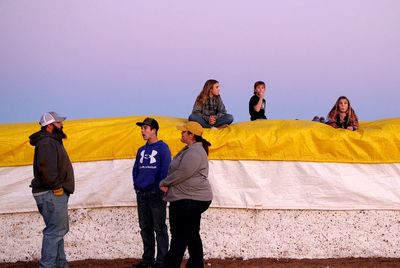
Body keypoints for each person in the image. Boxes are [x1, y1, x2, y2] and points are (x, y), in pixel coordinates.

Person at [160, 121, 213, 268]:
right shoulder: (191, 149)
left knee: (180, 235)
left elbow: (183, 173)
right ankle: (196, 264)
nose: (181, 133)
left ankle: (171, 265)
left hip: (189, 199)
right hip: (190, 198)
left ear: (191, 135)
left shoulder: (194, 152)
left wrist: (164, 183)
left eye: (184, 132)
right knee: (191, 234)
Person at [29, 111, 75, 268]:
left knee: (57, 232)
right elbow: (47, 169)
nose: (62, 125)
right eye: (58, 123)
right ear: (50, 126)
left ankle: (61, 265)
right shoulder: (47, 142)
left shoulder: (49, 141)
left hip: (49, 193)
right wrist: (57, 188)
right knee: (55, 232)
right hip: (52, 193)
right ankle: (47, 265)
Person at [132, 117, 171, 268]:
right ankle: (148, 259)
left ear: (154, 130)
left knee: (159, 228)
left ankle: (162, 261)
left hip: (156, 194)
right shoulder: (141, 150)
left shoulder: (163, 148)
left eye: (145, 128)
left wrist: (156, 188)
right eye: (142, 128)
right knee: (145, 228)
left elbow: (165, 170)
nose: (143, 131)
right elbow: (136, 169)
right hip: (141, 194)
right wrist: (136, 185)